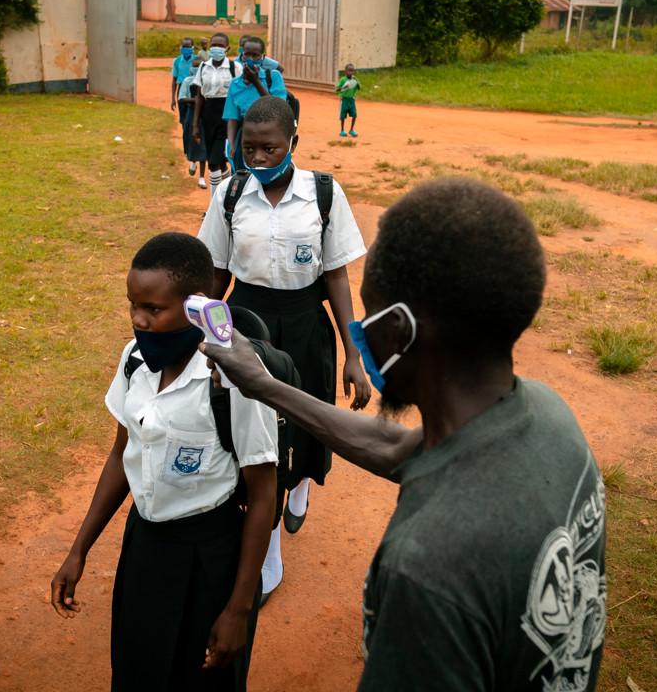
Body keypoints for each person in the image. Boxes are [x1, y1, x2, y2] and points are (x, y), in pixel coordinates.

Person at [203, 178, 607, 692]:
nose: (361, 329)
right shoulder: (547, 417)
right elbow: (396, 446)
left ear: (400, 331)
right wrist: (264, 385)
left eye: (370, 313)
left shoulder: (425, 569)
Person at [50, 233, 278, 692]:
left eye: (154, 309)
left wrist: (238, 609)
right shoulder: (134, 360)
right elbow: (121, 455)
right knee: (139, 672)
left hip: (212, 556)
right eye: (133, 305)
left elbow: (264, 492)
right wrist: (79, 549)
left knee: (204, 682)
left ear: (198, 305)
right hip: (146, 549)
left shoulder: (235, 377)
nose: (139, 319)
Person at [197, 96, 372, 605]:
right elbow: (218, 273)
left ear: (293, 142)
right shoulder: (229, 195)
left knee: (306, 420)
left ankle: (300, 487)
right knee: (255, 435)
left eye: (271, 147)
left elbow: (336, 274)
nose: (259, 156)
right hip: (249, 324)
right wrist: (204, 335)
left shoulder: (322, 193)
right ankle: (268, 555)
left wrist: (353, 354)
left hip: (305, 325)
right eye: (249, 147)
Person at [223, 37, 287, 173]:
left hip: (271, 134)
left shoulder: (273, 77)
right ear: (242, 56)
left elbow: (277, 107)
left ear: (262, 57)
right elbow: (233, 119)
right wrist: (232, 145)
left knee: (267, 174)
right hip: (246, 136)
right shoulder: (235, 84)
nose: (251, 58)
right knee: (243, 175)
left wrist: (256, 82)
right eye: (247, 54)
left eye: (255, 55)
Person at [192, 33, 242, 196]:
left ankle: (214, 205)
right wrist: (195, 124)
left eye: (220, 46)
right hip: (208, 114)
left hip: (228, 115)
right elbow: (199, 97)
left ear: (227, 48)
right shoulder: (203, 67)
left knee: (213, 162)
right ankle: (229, 186)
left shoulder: (235, 68)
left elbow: (239, 93)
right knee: (219, 162)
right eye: (214, 44)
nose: (216, 48)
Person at [179, 57, 208, 188]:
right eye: (194, 66)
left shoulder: (207, 81)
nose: (196, 69)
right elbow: (182, 98)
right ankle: (192, 161)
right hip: (191, 115)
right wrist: (195, 101)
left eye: (198, 66)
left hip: (204, 116)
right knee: (191, 140)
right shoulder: (187, 81)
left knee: (203, 145)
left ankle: (202, 177)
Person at [171, 37, 196, 113]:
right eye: (184, 46)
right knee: (182, 114)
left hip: (193, 88)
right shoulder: (177, 61)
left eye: (188, 47)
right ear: (181, 47)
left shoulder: (197, 60)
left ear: (192, 47)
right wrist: (173, 98)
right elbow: (174, 80)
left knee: (193, 113)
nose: (186, 49)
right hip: (181, 89)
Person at [335, 63, 360, 138]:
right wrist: (343, 88)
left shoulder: (354, 80)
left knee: (354, 115)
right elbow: (337, 89)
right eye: (349, 71)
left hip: (351, 100)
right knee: (343, 116)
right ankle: (342, 130)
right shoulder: (343, 80)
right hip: (344, 100)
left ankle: (351, 130)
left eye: (352, 71)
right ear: (345, 72)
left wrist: (356, 81)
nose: (351, 72)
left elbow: (359, 87)